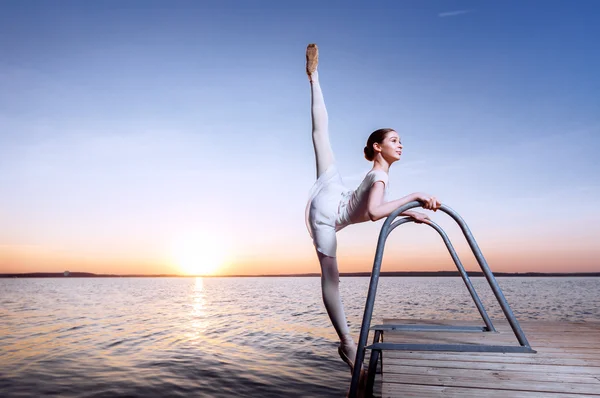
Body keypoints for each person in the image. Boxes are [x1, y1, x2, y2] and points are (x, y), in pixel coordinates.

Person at [304, 43, 441, 373]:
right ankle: (347, 345)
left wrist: (410, 212)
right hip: (328, 214)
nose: (401, 144)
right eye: (395, 140)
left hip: (334, 191)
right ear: (378, 147)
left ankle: (313, 76)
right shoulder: (379, 177)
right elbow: (376, 213)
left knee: (322, 135)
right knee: (331, 278)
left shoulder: (377, 176)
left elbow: (369, 208)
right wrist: (415, 196)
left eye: (401, 140)